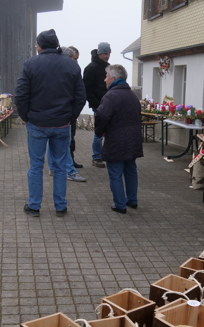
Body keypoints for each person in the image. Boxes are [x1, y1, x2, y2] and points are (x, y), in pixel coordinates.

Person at [14, 29, 86, 217]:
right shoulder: (72, 66)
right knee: (60, 166)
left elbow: (21, 95)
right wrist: (71, 117)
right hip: (62, 124)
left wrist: (26, 116)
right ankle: (60, 206)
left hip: (37, 123)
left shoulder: (30, 64)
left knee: (36, 165)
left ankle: (34, 206)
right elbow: (80, 97)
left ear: (39, 46)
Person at [94, 64, 143, 214]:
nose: (105, 80)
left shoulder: (111, 95)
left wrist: (99, 132)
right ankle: (132, 200)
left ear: (114, 78)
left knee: (115, 171)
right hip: (133, 138)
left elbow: (102, 116)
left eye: (107, 76)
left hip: (116, 138)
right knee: (130, 169)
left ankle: (119, 204)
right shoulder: (132, 95)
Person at [46, 46, 86, 183]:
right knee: (65, 143)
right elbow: (79, 95)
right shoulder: (70, 72)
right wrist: (72, 113)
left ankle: (52, 168)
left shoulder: (52, 70)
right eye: (74, 59)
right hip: (63, 114)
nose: (75, 62)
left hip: (50, 114)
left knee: (52, 143)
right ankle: (70, 171)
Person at [83, 42, 111, 168]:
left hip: (109, 103)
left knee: (109, 130)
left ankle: (107, 154)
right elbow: (87, 88)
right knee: (99, 131)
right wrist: (95, 103)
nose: (107, 56)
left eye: (109, 53)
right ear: (99, 53)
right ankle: (96, 157)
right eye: (105, 53)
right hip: (98, 104)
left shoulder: (109, 67)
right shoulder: (91, 68)